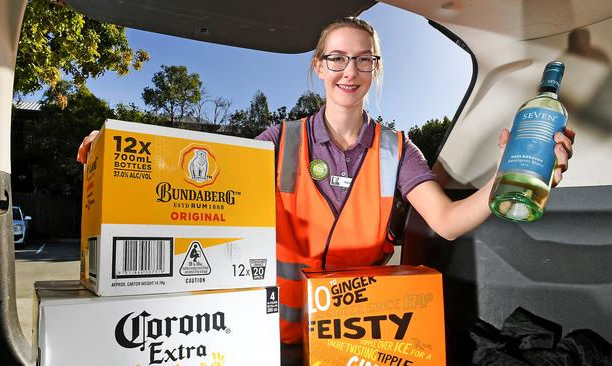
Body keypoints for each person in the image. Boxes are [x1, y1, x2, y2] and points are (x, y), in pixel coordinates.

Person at [77, 16, 574, 364]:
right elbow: (207, 175)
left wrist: (509, 177)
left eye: (362, 60)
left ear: (374, 69)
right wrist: (122, 152)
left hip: (358, 343)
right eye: (336, 59)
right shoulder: (278, 140)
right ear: (318, 66)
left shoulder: (400, 151)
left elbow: (445, 220)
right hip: (271, 336)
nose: (349, 72)